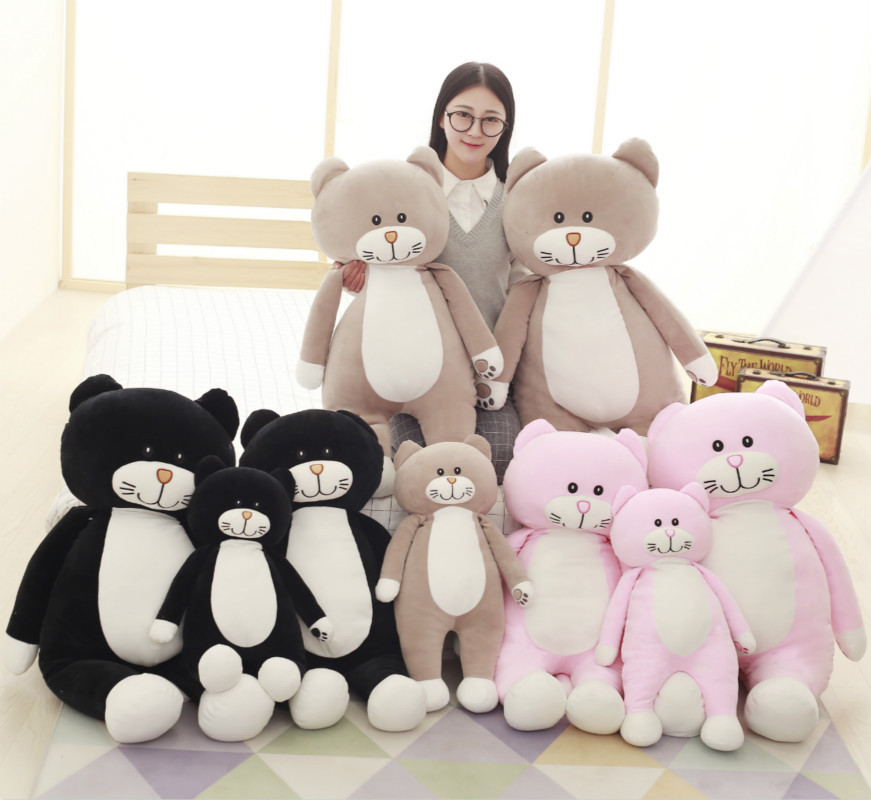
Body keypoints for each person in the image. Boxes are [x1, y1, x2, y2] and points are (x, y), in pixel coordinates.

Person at [336, 62, 524, 481]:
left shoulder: (516, 202)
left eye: (490, 120)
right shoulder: (407, 193)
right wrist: (357, 277)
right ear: (442, 117)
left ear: (505, 127)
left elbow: (524, 287)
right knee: (411, 458)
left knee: (498, 455)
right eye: (463, 115)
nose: (475, 131)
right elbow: (376, 255)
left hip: (484, 373)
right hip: (414, 368)